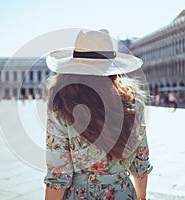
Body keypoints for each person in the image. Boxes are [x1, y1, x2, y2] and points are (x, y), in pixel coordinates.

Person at [44, 29, 152, 200]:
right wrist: (142, 197)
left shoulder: (61, 106)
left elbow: (58, 175)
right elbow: (140, 164)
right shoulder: (133, 104)